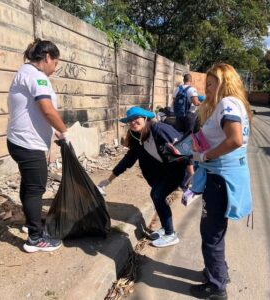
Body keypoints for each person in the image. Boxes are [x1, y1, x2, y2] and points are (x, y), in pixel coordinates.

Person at [189, 63, 252, 299]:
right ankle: (217, 272)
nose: (207, 88)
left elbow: (234, 139)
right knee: (216, 231)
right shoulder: (235, 105)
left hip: (220, 179)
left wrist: (205, 155)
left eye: (211, 83)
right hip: (223, 177)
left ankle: (216, 287)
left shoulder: (227, 103)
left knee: (211, 234)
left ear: (224, 82)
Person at [7, 39, 69, 253]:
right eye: (56, 62)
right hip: (27, 143)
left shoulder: (25, 72)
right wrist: (64, 131)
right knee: (36, 188)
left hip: (21, 141)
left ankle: (30, 223)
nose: (55, 67)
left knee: (29, 185)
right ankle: (35, 238)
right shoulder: (37, 76)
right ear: (47, 57)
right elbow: (47, 110)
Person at [98, 106, 187, 247]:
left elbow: (184, 150)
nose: (133, 122)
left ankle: (171, 234)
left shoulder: (159, 130)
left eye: (136, 118)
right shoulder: (137, 137)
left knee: (157, 195)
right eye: (130, 120)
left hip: (177, 169)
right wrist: (109, 180)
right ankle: (165, 229)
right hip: (163, 173)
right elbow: (128, 160)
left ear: (145, 118)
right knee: (156, 196)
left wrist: (192, 177)